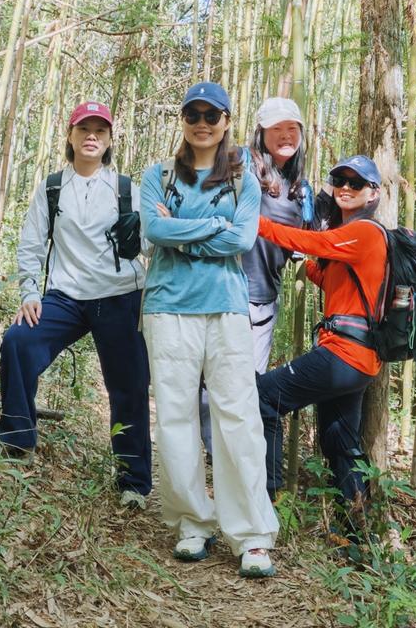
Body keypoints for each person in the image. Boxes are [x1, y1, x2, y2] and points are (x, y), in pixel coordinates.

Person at [140, 82, 279, 578]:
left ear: (226, 121)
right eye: (193, 114)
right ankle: (192, 523)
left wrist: (183, 232)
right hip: (168, 307)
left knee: (238, 417)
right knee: (175, 416)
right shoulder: (157, 175)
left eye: (212, 115)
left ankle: (252, 535)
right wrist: (212, 229)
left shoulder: (244, 179)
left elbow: (242, 239)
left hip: (226, 307)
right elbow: (152, 232)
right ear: (183, 119)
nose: (202, 122)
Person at [0, 101, 151, 506]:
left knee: (130, 386)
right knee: (18, 342)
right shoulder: (51, 187)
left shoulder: (126, 189)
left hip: (119, 295)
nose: (91, 136)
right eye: (84, 129)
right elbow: (31, 244)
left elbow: (152, 242)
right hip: (65, 296)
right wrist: (30, 292)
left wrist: (143, 235)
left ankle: (134, 481)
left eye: (100, 130)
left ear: (109, 141)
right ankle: (16, 440)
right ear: (70, 135)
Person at [253, 154, 387, 512]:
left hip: (342, 355)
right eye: (339, 181)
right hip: (361, 360)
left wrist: (257, 223)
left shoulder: (363, 232)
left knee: (264, 396)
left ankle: (267, 496)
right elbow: (328, 280)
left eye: (356, 183)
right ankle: (354, 534)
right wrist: (304, 262)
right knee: (340, 441)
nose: (345, 188)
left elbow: (314, 243)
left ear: (373, 194)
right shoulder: (351, 240)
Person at [199, 96, 313, 453]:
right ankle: (213, 457)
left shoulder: (300, 188)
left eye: (291, 128)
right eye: (276, 128)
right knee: (212, 384)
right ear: (260, 132)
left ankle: (235, 458)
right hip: (226, 287)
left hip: (265, 297)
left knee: (249, 385)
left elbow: (303, 243)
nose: (284, 136)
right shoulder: (240, 163)